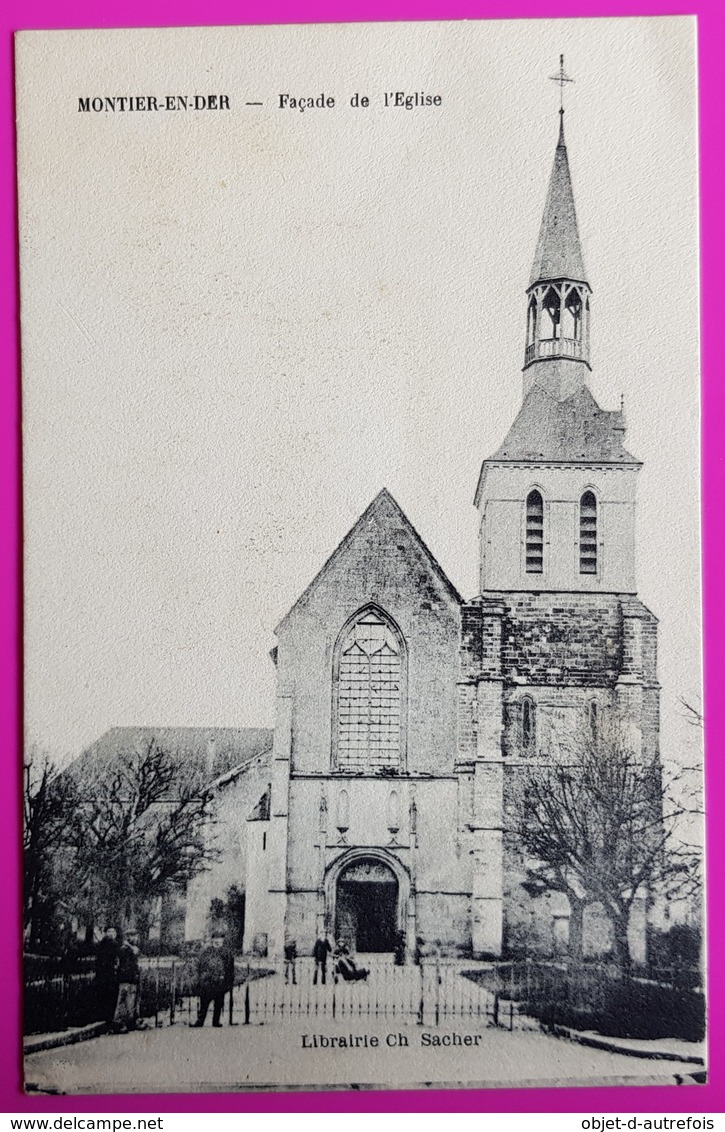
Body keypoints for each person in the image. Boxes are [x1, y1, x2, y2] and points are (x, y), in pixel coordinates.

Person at [192, 933, 234, 1028]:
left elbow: (230, 968)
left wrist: (229, 981)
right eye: (216, 940)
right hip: (208, 981)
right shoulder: (207, 951)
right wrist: (201, 978)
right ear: (212, 940)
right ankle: (200, 1020)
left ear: (223, 941)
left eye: (220, 940)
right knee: (204, 1001)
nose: (218, 942)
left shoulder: (226, 952)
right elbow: (201, 965)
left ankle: (216, 1021)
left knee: (219, 1002)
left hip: (220, 981)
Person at [113, 930, 140, 1032]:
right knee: (124, 1001)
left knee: (130, 1002)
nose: (136, 939)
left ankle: (129, 1022)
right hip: (126, 979)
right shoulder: (125, 949)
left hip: (130, 979)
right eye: (134, 936)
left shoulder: (129, 949)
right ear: (129, 937)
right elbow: (126, 965)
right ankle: (119, 1023)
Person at [95, 926, 120, 1023]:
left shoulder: (101, 943)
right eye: (110, 931)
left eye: (113, 931)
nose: (112, 933)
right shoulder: (114, 944)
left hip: (101, 974)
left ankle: (103, 1016)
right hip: (110, 974)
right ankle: (109, 1017)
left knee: (102, 996)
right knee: (110, 997)